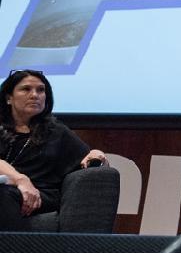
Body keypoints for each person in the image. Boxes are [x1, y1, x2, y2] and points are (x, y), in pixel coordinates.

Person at [1, 70, 106, 231]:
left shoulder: (56, 131)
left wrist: (96, 153)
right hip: (10, 187)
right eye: (26, 89)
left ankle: (13, 248)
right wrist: (21, 180)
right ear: (9, 98)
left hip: (40, 194)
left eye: (41, 90)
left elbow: (86, 156)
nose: (35, 95)